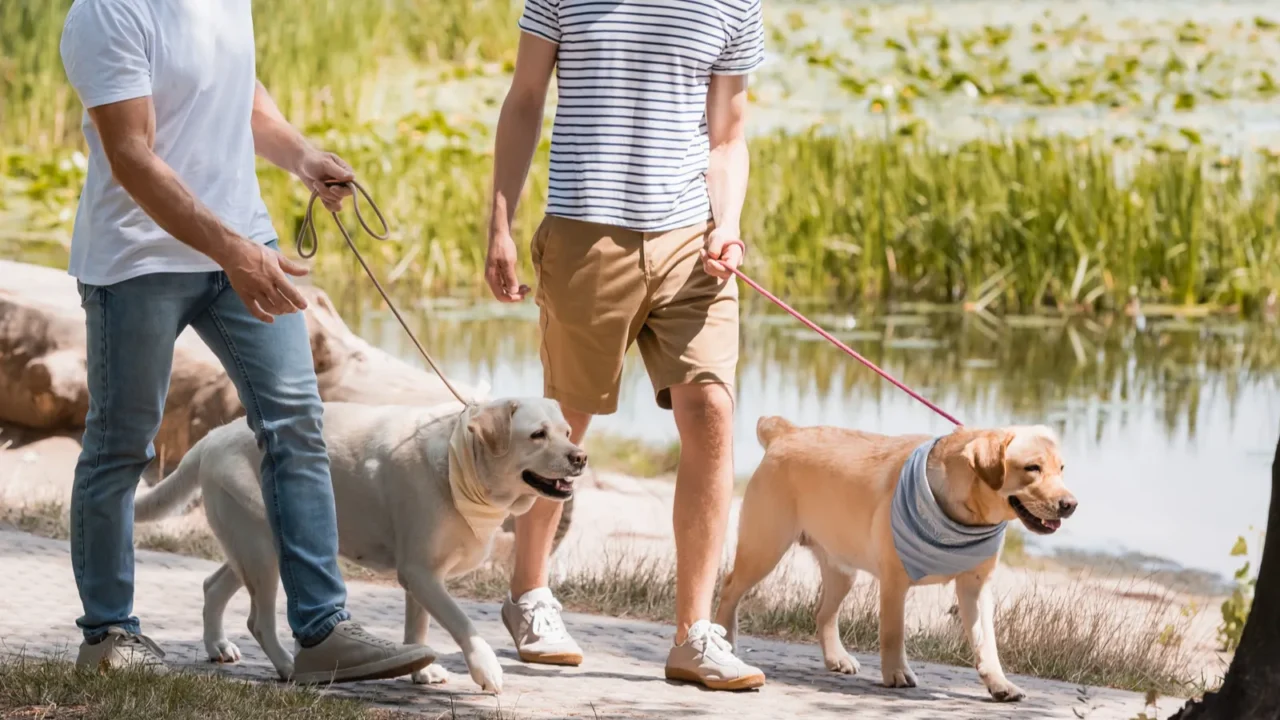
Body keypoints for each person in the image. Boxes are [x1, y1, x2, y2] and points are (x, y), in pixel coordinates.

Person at [58, 0, 434, 684]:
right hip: (139, 261)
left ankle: (323, 632)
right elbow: (132, 156)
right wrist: (234, 252)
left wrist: (301, 156)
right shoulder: (107, 11)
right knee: (120, 445)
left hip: (242, 243)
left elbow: (240, 94)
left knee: (296, 423)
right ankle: (109, 634)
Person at [485, 0, 766, 690]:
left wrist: (727, 223)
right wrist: (500, 225)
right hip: (587, 234)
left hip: (694, 244)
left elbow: (728, 135)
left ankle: (695, 634)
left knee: (712, 412)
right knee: (563, 426)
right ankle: (529, 595)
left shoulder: (735, 4)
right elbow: (525, 99)